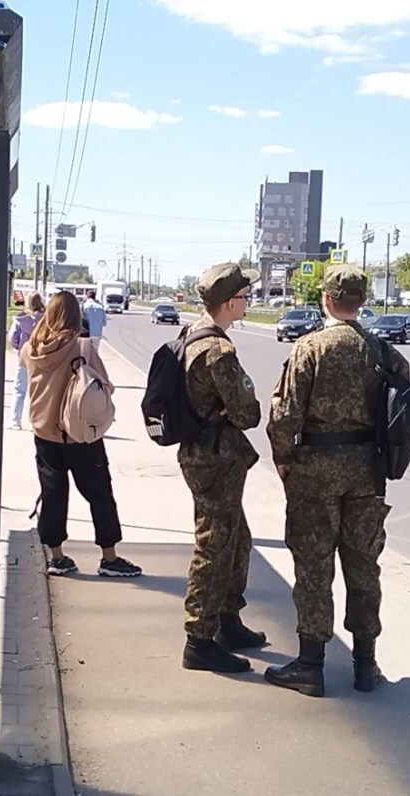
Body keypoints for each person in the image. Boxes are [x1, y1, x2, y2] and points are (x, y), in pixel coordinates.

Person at [264, 263, 409, 697]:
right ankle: (366, 664)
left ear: (325, 299)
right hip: (366, 471)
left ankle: (310, 665)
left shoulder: (310, 348)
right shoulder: (382, 351)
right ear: (362, 301)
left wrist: (283, 458)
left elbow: (284, 414)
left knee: (314, 566)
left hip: (315, 471)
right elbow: (402, 407)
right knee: (364, 566)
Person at [178, 264, 266, 674]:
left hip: (205, 454)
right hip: (215, 459)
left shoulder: (192, 334)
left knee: (237, 540)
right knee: (215, 546)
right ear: (230, 302)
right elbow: (249, 413)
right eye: (246, 297)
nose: (248, 302)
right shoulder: (218, 351)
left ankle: (227, 619)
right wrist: (236, 409)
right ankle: (199, 639)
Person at [21, 290, 141, 578]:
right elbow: (105, 385)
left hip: (45, 432)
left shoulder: (30, 349)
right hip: (80, 434)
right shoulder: (82, 347)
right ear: (76, 316)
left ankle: (57, 557)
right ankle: (109, 558)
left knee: (52, 493)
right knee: (99, 494)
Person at [9, 292, 45, 430]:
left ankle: (15, 420)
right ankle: (36, 421)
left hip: (24, 357)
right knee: (39, 390)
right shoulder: (46, 319)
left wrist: (19, 347)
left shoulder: (20, 319)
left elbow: (12, 338)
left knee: (19, 389)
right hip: (41, 357)